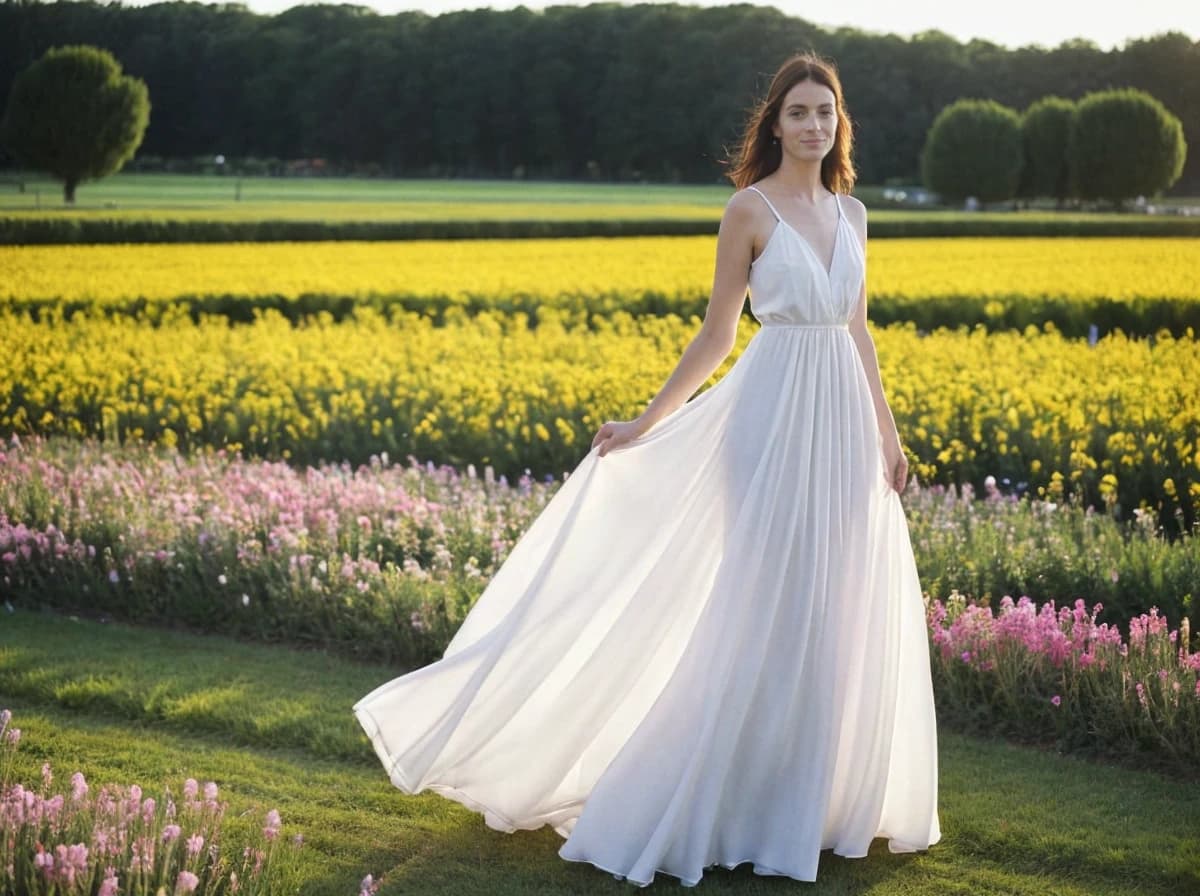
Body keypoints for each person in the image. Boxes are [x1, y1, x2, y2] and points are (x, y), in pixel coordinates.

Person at [353, 51, 941, 887]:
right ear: (774, 124)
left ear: (840, 123)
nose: (814, 124)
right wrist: (645, 420)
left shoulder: (855, 214)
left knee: (835, 605)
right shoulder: (749, 209)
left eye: (826, 111)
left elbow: (859, 330)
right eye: (799, 112)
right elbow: (717, 335)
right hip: (770, 419)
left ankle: (805, 801)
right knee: (760, 602)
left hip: (845, 425)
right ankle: (718, 795)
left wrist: (887, 434)